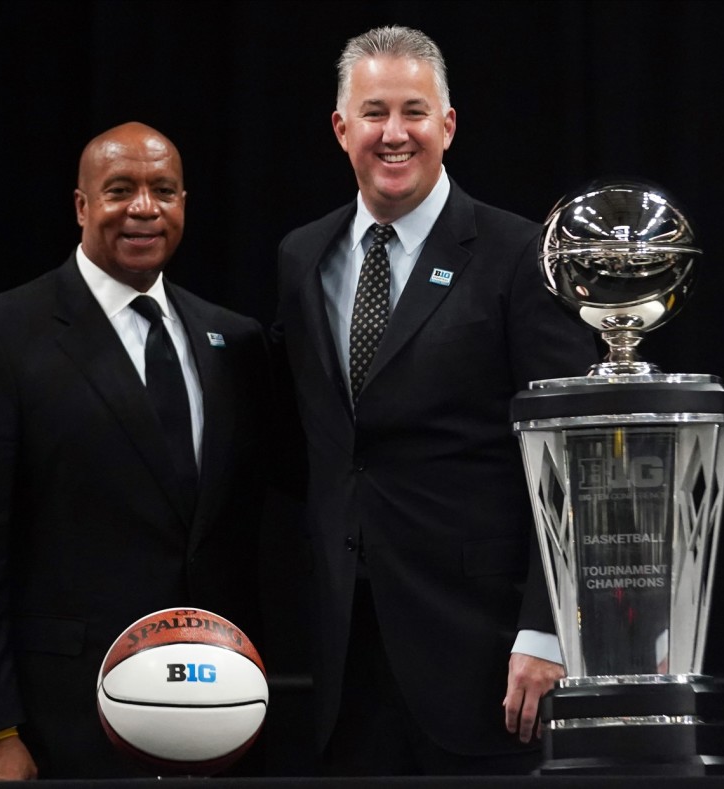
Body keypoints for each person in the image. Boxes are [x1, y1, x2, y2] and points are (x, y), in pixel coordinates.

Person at [273, 26, 598, 775]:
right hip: (342, 659)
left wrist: (549, 631)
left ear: (447, 126)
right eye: (375, 112)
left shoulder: (523, 255)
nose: (395, 134)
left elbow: (573, 456)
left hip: (487, 657)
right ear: (340, 127)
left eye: (414, 112)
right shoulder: (302, 255)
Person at [0, 122, 271, 781]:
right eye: (119, 189)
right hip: (58, 730)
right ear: (81, 206)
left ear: (184, 204)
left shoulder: (235, 340)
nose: (143, 207)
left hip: (218, 723)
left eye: (163, 190)